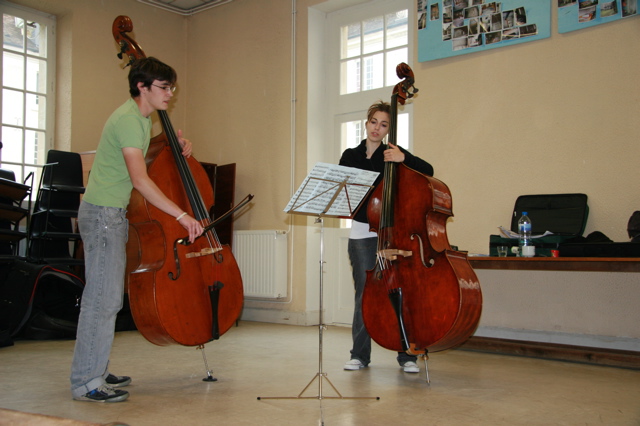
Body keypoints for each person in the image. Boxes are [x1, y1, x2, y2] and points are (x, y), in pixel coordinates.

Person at [70, 57, 203, 403]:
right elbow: (140, 181)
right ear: (142, 87)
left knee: (107, 299)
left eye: (172, 87)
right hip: (103, 216)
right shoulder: (131, 121)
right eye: (164, 87)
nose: (170, 94)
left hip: (110, 215)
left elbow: (140, 152)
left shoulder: (139, 120)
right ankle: (87, 380)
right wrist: (182, 216)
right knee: (102, 300)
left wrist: (173, 139)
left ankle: (96, 367)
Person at [339, 100, 434, 374]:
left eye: (383, 124)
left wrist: (405, 159)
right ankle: (359, 355)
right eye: (373, 122)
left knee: (400, 292)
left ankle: (407, 356)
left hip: (393, 233)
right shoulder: (350, 155)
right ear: (366, 123)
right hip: (361, 233)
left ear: (388, 129)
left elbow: (427, 171)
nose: (377, 128)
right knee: (364, 294)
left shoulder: (393, 153)